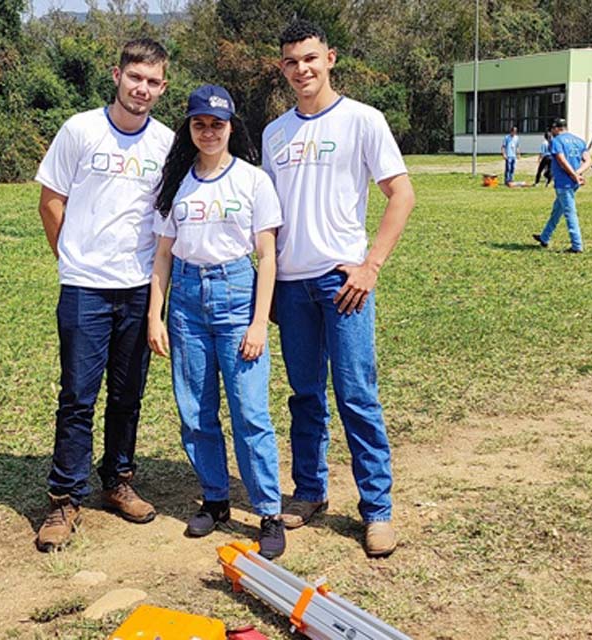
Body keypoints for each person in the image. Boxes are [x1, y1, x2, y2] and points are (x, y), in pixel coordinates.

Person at [261, 20, 415, 558]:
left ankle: (377, 510)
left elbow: (401, 194)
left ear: (330, 58)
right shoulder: (274, 133)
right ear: (282, 69)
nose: (301, 69)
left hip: (342, 282)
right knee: (305, 396)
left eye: (310, 58)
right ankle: (309, 492)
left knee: (355, 394)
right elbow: (269, 219)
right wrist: (269, 284)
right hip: (291, 285)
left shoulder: (362, 120)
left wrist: (371, 264)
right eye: (290, 62)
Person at [33, 38, 173, 551]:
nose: (142, 89)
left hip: (139, 287)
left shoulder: (165, 143)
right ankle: (65, 499)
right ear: (117, 75)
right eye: (135, 77)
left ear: (163, 87)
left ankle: (117, 481)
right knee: (77, 397)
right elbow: (51, 202)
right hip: (85, 287)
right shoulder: (80, 130)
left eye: (153, 81)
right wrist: (71, 259)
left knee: (128, 394)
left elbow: (168, 220)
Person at [147, 85, 286, 559]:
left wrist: (259, 322)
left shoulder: (253, 181)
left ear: (231, 126)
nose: (208, 132)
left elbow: (266, 256)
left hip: (236, 298)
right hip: (186, 303)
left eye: (217, 124)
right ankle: (215, 499)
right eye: (199, 123)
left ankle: (268, 511)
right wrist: (156, 314)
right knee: (195, 412)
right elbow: (163, 256)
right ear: (189, 127)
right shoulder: (177, 182)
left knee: (250, 413)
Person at [533, 118, 589, 253]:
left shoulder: (557, 141)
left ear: (556, 128)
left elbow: (562, 161)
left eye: (552, 129)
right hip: (573, 182)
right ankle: (545, 237)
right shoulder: (579, 140)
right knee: (557, 210)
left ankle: (577, 245)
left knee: (570, 213)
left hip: (564, 183)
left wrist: (573, 175)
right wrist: (578, 173)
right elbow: (588, 160)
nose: (551, 132)